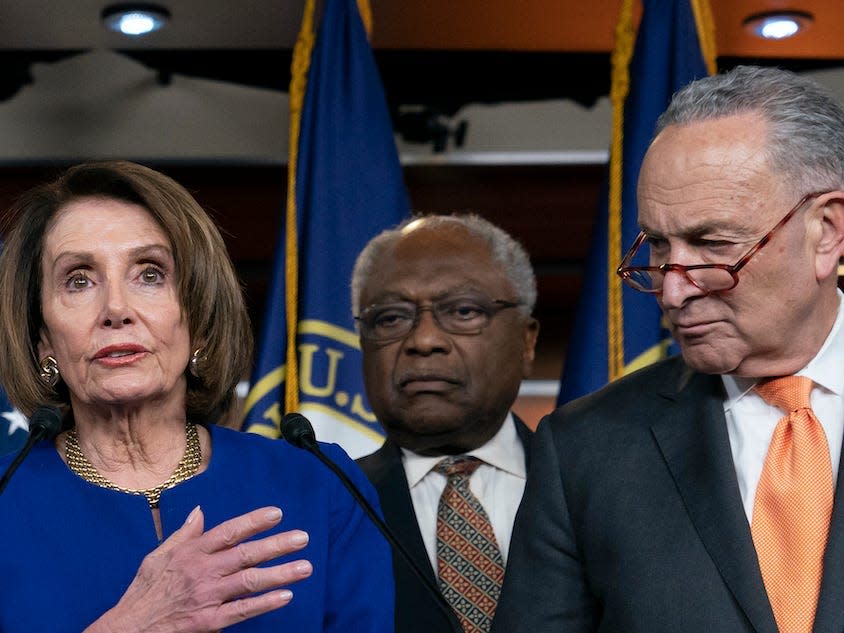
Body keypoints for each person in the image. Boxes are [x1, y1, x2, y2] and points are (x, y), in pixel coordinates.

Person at [492, 65, 844, 633]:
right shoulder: (585, 450)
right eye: (657, 245)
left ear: (826, 230)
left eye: (712, 244)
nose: (673, 289)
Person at [0, 160, 393, 632]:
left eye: (149, 274)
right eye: (79, 280)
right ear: (44, 340)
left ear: (200, 320)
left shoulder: (321, 486)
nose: (116, 310)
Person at [353, 214, 540, 633]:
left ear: (527, 342)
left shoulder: (596, 489)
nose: (423, 341)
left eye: (463, 311)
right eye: (390, 318)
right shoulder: (330, 503)